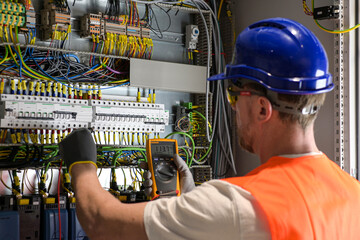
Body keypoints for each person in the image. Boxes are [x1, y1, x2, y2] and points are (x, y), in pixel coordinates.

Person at [59, 18, 360, 240]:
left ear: (261, 109)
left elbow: (101, 222)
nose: (231, 107)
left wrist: (82, 165)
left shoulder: (237, 205)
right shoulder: (352, 193)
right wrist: (192, 205)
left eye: (233, 94)